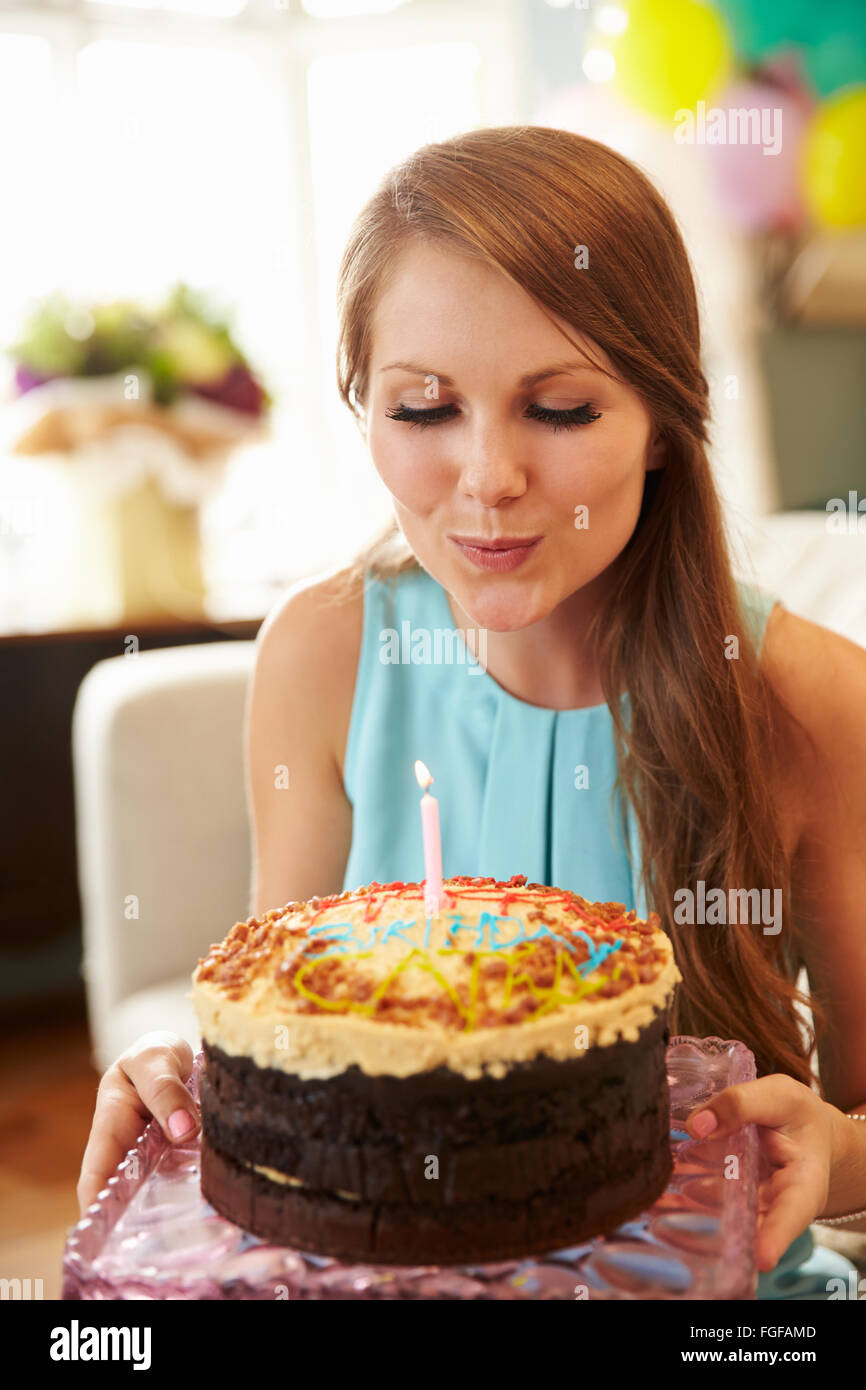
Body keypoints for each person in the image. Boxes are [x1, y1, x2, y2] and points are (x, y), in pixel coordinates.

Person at [77, 126, 866, 1298]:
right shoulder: (322, 652)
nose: (488, 475)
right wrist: (194, 1088)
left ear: (661, 421)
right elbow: (296, 1041)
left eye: (558, 409)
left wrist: (837, 1146)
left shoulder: (807, 697)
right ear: (361, 410)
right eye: (422, 408)